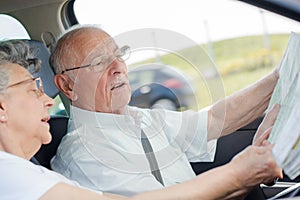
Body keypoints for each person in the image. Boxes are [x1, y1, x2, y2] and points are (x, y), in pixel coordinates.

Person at [0, 40, 282, 200]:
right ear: (69, 86)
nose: (119, 68)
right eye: (99, 63)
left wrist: (279, 78)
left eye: (118, 56)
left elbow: (211, 120)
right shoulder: (71, 157)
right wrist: (240, 175)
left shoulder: (139, 117)